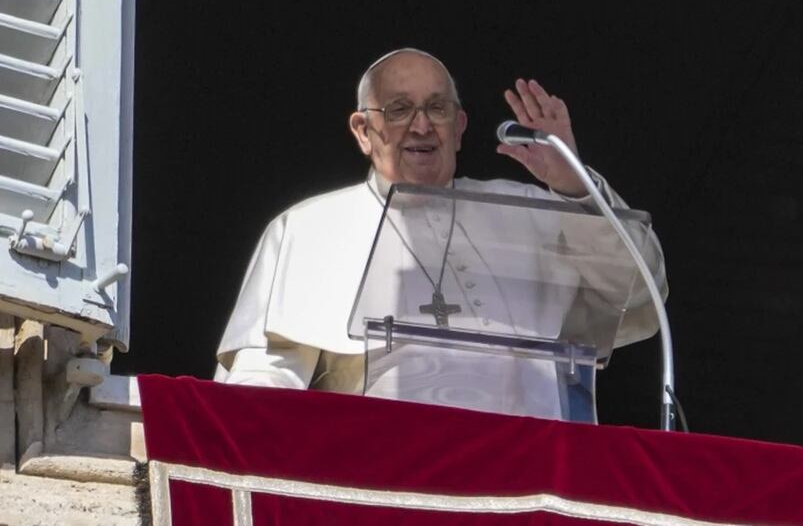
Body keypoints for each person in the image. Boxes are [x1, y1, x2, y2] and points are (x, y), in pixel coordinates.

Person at [214, 48, 667, 420]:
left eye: (437, 108)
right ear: (363, 130)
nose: (422, 125)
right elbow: (264, 377)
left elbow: (636, 288)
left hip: (530, 481)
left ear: (460, 127)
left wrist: (573, 184)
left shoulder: (532, 209)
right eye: (399, 109)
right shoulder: (309, 227)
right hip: (383, 482)